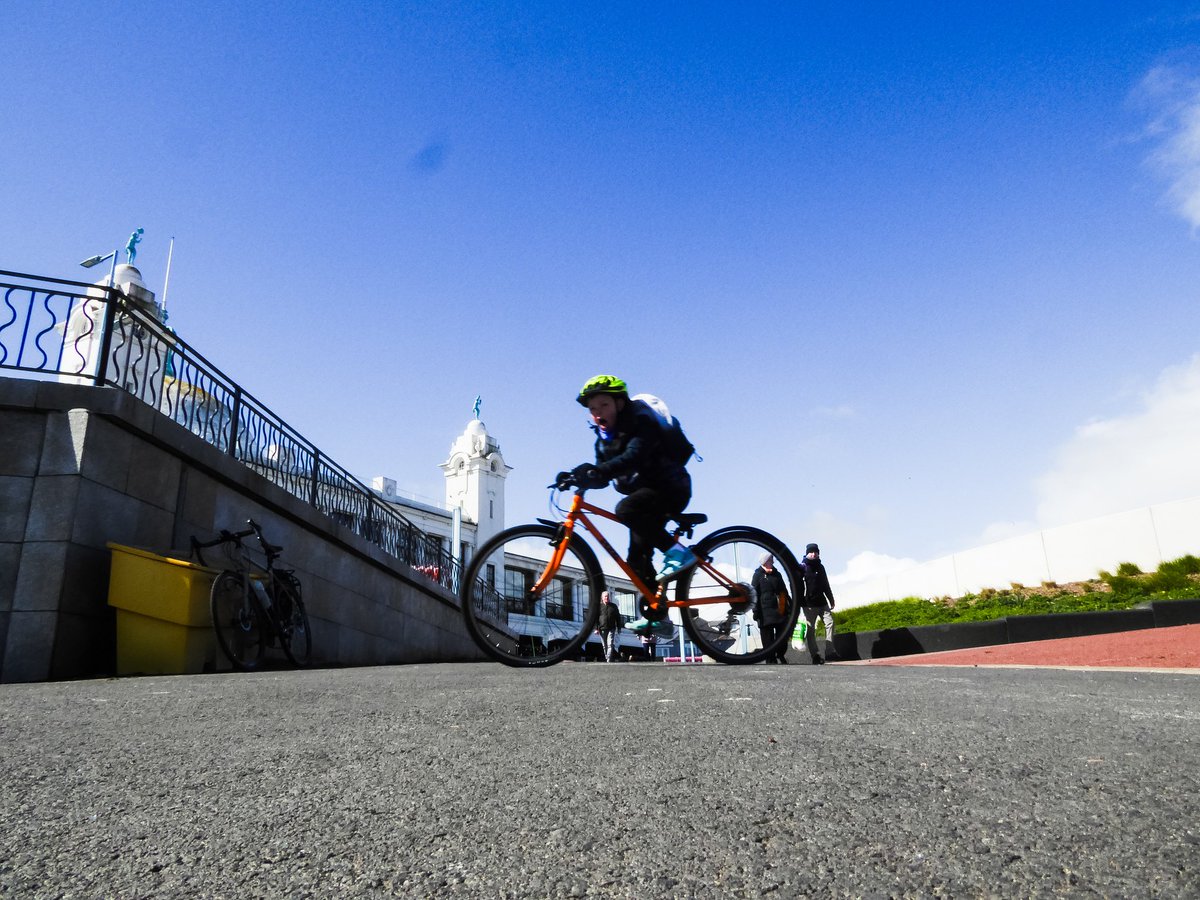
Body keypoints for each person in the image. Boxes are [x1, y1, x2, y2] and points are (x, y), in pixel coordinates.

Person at [558, 375, 696, 632]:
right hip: (647, 497)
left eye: (603, 405)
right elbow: (603, 474)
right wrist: (576, 476)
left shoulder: (640, 423)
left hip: (670, 486)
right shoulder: (603, 440)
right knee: (636, 559)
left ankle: (677, 552)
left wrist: (600, 471)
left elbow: (634, 456)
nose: (597, 413)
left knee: (625, 509)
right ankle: (659, 616)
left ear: (620, 403)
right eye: (592, 409)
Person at [800, 543, 838, 663]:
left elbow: (825, 584)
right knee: (810, 630)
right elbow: (797, 586)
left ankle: (830, 651)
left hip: (822, 602)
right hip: (809, 605)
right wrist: (800, 602)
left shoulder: (821, 567)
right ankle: (815, 655)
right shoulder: (802, 567)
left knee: (830, 623)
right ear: (807, 553)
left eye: (815, 552)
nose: (813, 554)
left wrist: (831, 599)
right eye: (811, 552)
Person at [751, 552, 789, 664]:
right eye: (770, 560)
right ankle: (770, 659)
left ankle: (781, 655)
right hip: (764, 611)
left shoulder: (777, 574)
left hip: (779, 610)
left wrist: (787, 607)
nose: (772, 562)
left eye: (772, 560)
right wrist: (755, 611)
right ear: (764, 561)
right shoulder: (757, 575)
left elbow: (783, 592)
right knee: (767, 638)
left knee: (782, 636)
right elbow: (754, 594)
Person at [596, 591, 623, 662]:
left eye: (607, 596)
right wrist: (596, 629)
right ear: (602, 598)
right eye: (605, 596)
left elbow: (618, 618)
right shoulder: (599, 607)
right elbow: (595, 618)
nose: (606, 597)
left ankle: (608, 659)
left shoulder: (614, 606)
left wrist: (619, 627)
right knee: (604, 645)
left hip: (611, 628)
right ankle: (606, 656)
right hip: (602, 629)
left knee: (610, 644)